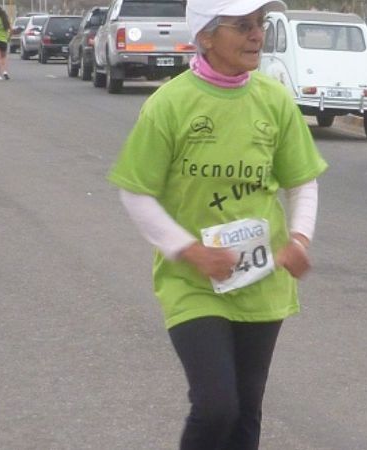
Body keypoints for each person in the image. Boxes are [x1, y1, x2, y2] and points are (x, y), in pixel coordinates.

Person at [107, 0, 327, 447]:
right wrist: (190, 251)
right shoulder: (169, 104)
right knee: (215, 406)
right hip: (192, 283)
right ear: (206, 36)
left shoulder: (274, 99)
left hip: (262, 281)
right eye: (242, 25)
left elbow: (302, 181)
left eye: (260, 24)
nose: (256, 35)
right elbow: (136, 191)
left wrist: (299, 237)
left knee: (246, 410)